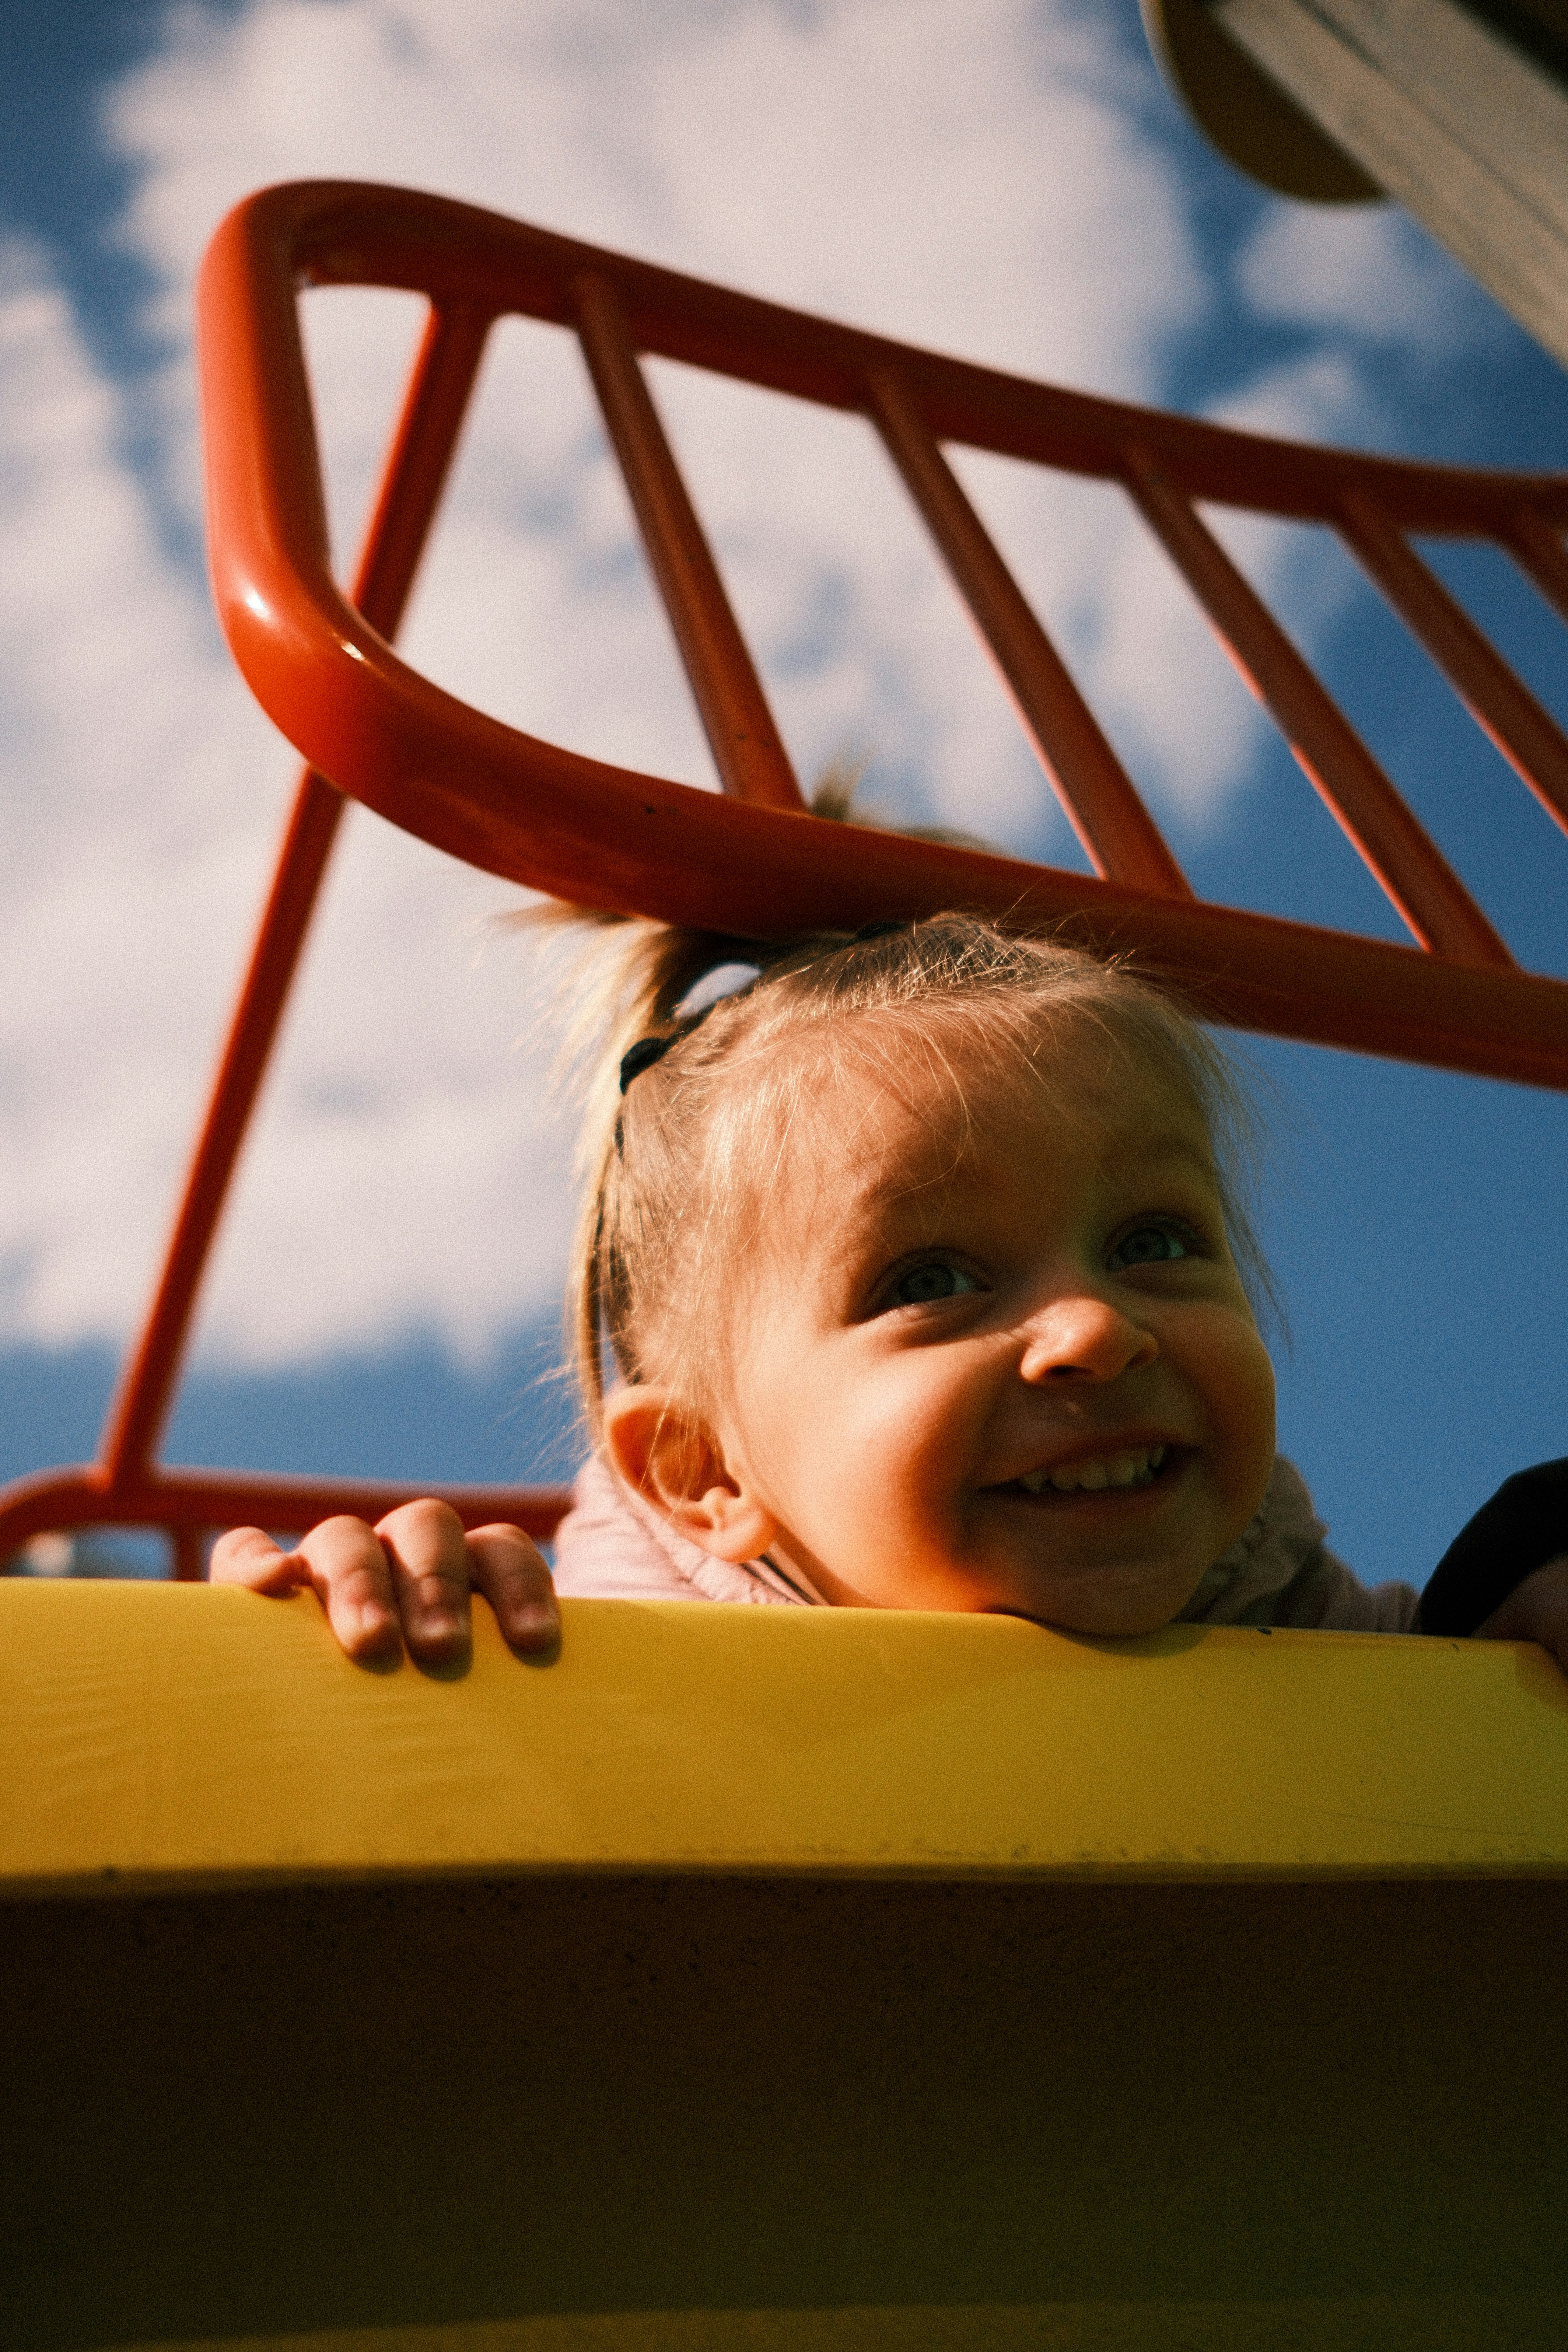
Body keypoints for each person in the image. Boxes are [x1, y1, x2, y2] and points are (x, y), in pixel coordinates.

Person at [212, 911, 1568, 1671]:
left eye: (1153, 1239)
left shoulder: (1285, 1609)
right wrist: (380, 1616)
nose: (1095, 1327)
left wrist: (1529, 1587)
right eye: (928, 1278)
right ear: (702, 1473)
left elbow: (1465, 1660)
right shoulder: (606, 1659)